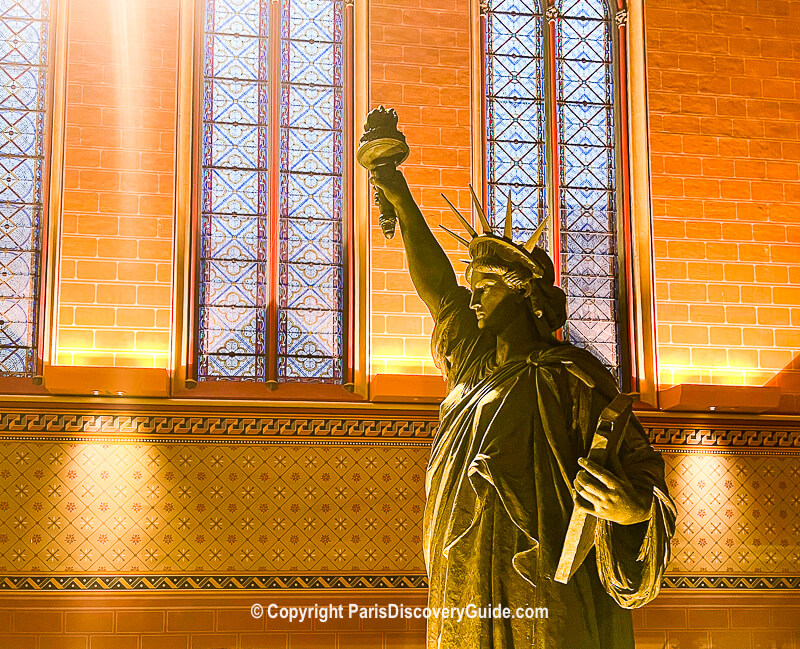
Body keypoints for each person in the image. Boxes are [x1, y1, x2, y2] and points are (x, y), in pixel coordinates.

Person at [369, 164, 677, 649]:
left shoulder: (571, 375)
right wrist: (397, 191)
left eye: (484, 289)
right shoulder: (472, 366)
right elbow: (439, 293)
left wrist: (634, 510)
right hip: (464, 569)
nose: (472, 299)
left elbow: (640, 465)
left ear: (524, 295)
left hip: (546, 575)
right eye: (472, 288)